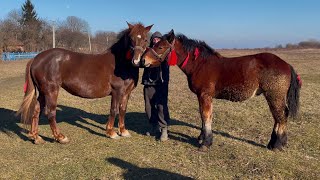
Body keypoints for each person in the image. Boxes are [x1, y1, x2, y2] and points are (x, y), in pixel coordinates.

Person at [142, 31, 170, 141]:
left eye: (158, 39)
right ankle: (154, 126)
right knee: (149, 106)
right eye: (154, 39)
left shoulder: (164, 51)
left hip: (161, 82)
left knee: (161, 106)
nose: (155, 40)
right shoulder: (148, 51)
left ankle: (164, 129)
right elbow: (141, 63)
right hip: (148, 82)